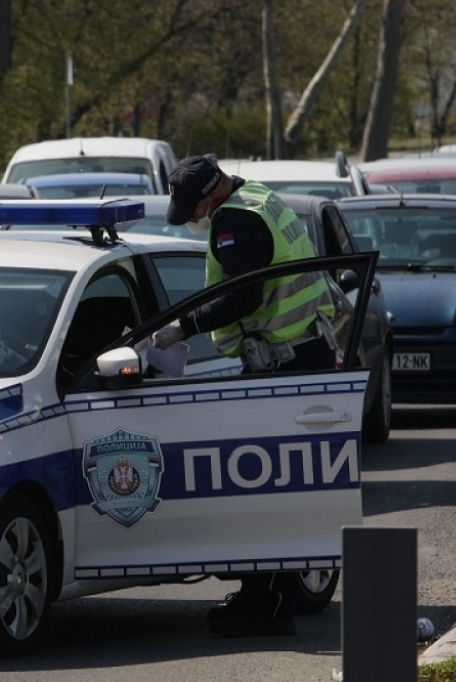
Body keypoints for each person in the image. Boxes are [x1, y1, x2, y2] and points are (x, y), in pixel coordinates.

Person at [152, 155, 338, 638]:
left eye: (193, 211)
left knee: (262, 489)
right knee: (277, 488)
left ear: (212, 196)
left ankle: (269, 604)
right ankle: (267, 596)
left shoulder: (235, 219)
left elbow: (243, 297)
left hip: (285, 365)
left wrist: (183, 327)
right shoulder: (259, 196)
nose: (194, 220)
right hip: (305, 354)